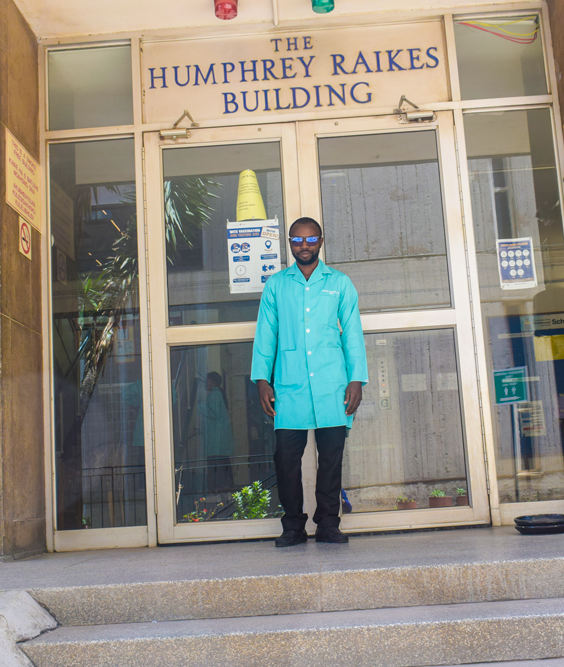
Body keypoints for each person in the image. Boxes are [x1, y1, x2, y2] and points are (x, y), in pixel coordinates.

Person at [251, 217, 368, 547]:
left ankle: (329, 523)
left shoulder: (340, 283)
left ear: (321, 241)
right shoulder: (277, 285)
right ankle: (293, 526)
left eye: (311, 238)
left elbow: (353, 335)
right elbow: (266, 335)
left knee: (331, 459)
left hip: (333, 385)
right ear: (289, 243)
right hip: (289, 386)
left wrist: (357, 378)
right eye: (298, 239)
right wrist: (262, 379)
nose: (305, 245)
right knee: (286, 460)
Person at [200, 371, 234, 493]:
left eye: (207, 381)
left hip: (216, 438)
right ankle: (226, 486)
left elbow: (214, 413)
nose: (205, 383)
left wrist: (201, 406)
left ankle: (217, 489)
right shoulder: (219, 394)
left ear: (214, 382)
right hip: (220, 437)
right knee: (224, 463)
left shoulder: (214, 395)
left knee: (216, 464)